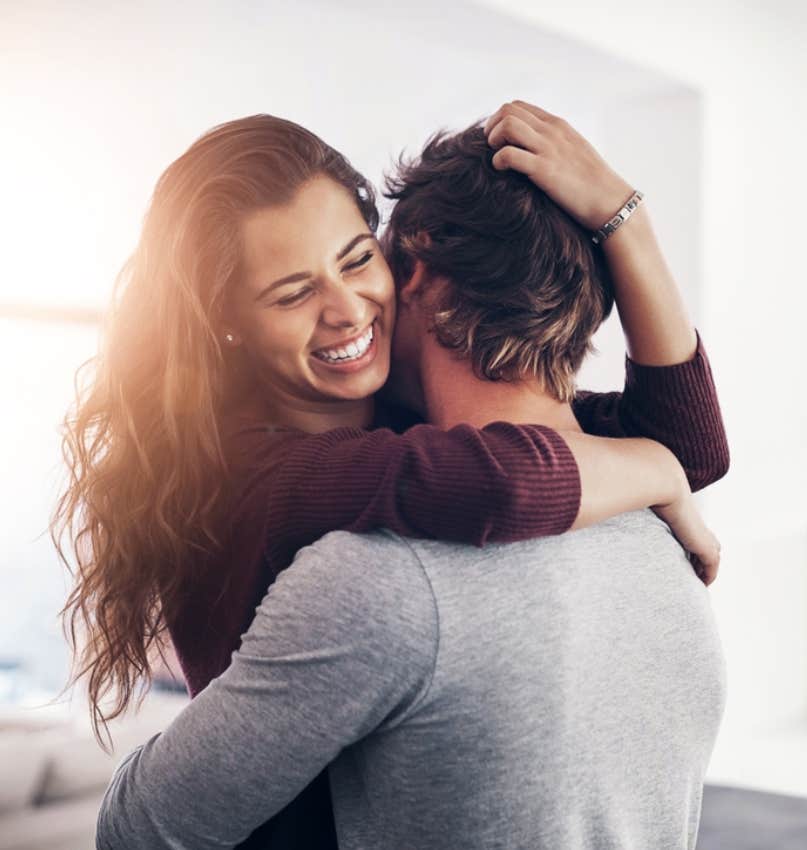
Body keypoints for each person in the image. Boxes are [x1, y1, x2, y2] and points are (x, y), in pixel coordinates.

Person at [55, 104, 727, 849]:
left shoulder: (399, 422)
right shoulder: (258, 474)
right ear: (226, 320)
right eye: (291, 293)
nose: (347, 311)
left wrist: (625, 221)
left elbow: (691, 444)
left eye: (355, 259)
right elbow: (510, 478)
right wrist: (656, 470)